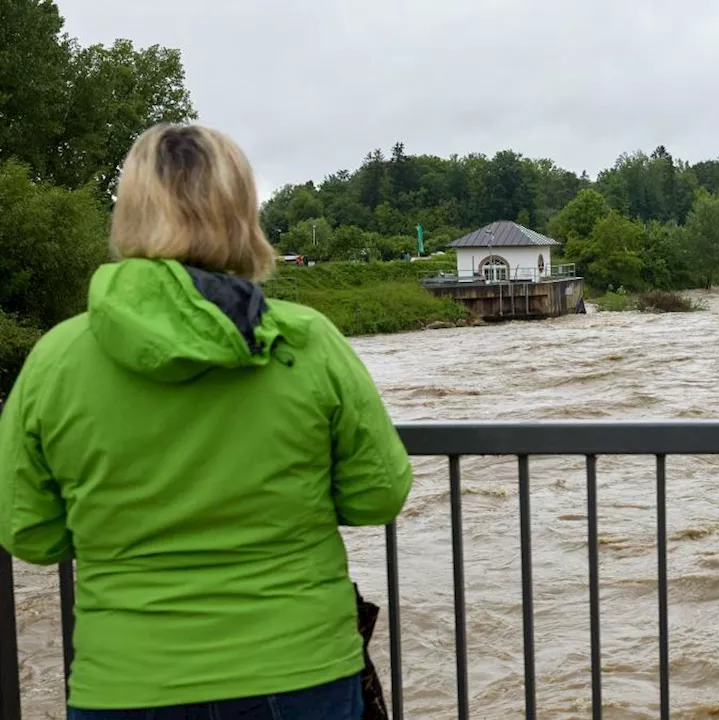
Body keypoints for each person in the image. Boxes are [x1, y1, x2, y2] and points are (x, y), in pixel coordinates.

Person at [0, 124, 414, 719]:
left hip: (128, 681)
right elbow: (378, 494)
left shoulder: (58, 358)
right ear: (242, 212)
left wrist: (117, 531)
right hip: (299, 671)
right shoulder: (305, 339)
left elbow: (28, 531)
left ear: (130, 212)